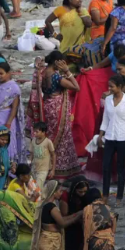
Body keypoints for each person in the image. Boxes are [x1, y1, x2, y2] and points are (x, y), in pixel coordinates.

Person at [28, 53, 80, 181]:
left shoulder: (42, 72)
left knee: (50, 135)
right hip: (57, 109)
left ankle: (45, 166)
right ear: (57, 63)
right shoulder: (56, 77)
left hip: (46, 106)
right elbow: (76, 87)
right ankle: (59, 169)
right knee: (62, 137)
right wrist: (67, 71)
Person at [98, 74, 125, 201]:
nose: (109, 89)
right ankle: (105, 195)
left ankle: (119, 196)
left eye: (112, 87)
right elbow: (105, 119)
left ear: (120, 87)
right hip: (109, 137)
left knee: (120, 168)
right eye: (109, 86)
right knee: (106, 166)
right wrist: (100, 135)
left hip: (123, 138)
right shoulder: (108, 100)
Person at [0, 63, 29, 164]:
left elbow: (14, 108)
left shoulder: (13, 88)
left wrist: (8, 123)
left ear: (8, 73)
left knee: (7, 142)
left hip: (6, 119)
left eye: (1, 73)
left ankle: (8, 165)